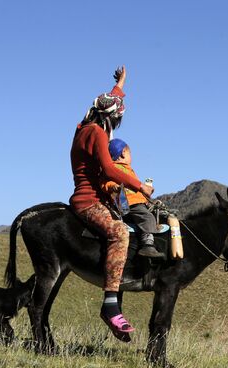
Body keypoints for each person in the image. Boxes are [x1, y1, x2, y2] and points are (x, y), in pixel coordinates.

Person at [69, 66, 153, 338]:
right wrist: (139, 185)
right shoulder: (97, 134)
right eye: (117, 118)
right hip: (88, 200)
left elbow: (107, 99)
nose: (117, 123)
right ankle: (110, 305)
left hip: (93, 197)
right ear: (110, 118)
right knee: (119, 233)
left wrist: (121, 83)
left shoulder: (83, 126)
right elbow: (107, 168)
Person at [101, 138, 163, 258]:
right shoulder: (114, 169)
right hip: (129, 203)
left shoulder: (127, 170)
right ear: (124, 152)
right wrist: (113, 187)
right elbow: (104, 182)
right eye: (130, 154)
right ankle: (148, 244)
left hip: (132, 202)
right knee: (147, 217)